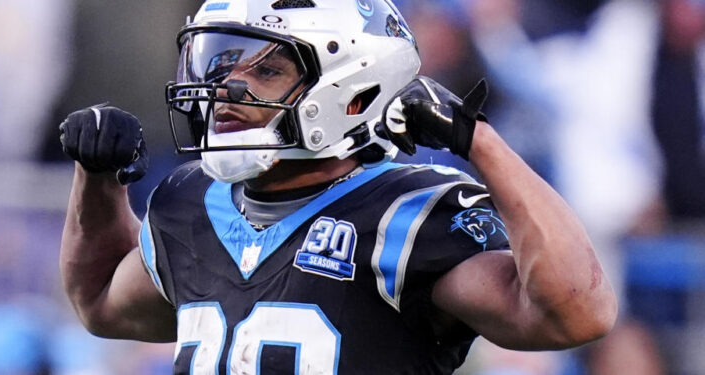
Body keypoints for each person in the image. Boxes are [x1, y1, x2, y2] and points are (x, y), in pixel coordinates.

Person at [58, 1, 617, 373]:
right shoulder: (191, 202)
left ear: (350, 90)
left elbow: (577, 313)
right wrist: (98, 179)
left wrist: (483, 145)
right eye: (220, 62)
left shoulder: (408, 213)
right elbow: (101, 303)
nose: (226, 86)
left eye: (266, 70)